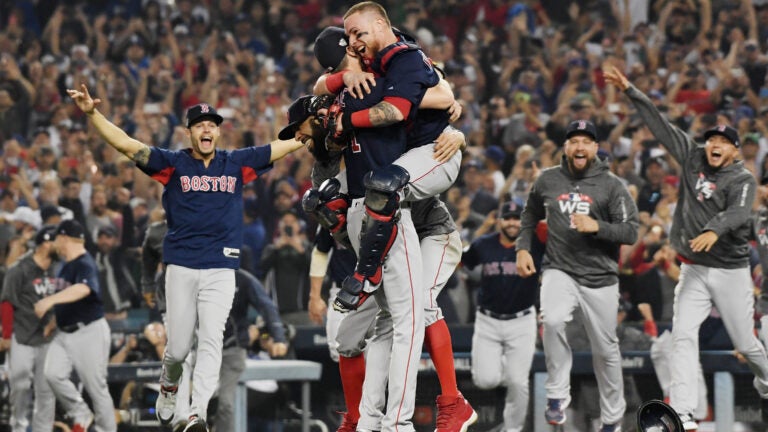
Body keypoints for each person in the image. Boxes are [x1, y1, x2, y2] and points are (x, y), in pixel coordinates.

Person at [66, 84, 304, 432]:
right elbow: (126, 144)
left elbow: (282, 147)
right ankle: (168, 384)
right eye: (200, 124)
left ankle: (196, 414)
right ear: (190, 132)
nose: (206, 129)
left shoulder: (235, 163)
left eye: (212, 124)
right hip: (181, 265)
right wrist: (92, 114)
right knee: (177, 350)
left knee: (211, 341)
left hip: (222, 267)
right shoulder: (174, 164)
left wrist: (315, 129)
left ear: (218, 131)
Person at [298, 23, 473, 432]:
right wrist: (339, 80)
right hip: (387, 224)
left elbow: (440, 94)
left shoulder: (390, 79)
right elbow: (321, 87)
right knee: (372, 329)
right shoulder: (336, 133)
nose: (360, 50)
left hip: (431, 227)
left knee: (418, 310)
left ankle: (450, 402)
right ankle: (364, 420)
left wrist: (454, 131)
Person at [605, 66, 768, 429]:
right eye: (712, 139)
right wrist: (631, 89)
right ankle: (683, 410)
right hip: (694, 266)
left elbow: (740, 213)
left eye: (723, 142)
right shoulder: (693, 156)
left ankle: (767, 382)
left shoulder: (742, 178)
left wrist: (713, 229)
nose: (715, 144)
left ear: (734, 151)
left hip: (730, 269)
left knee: (748, 343)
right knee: (682, 334)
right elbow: (660, 125)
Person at [516, 119, 639, 432]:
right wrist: (523, 249)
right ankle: (557, 395)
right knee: (553, 321)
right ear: (566, 147)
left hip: (601, 277)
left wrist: (598, 227)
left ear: (595, 148)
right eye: (574, 141)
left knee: (605, 349)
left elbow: (631, 232)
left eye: (586, 141)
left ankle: (612, 418)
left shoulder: (612, 185)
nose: (580, 146)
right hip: (560, 269)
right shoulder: (547, 180)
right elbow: (529, 215)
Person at [461, 199, 543, 432]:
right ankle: (510, 366)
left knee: (519, 383)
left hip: (522, 320)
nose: (512, 223)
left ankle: (513, 429)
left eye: (517, 219)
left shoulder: (534, 246)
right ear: (499, 221)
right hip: (488, 321)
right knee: (485, 380)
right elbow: (463, 260)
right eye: (507, 218)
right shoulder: (484, 244)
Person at [33, 219, 116, 432]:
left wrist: (49, 301)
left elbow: (84, 289)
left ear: (64, 238)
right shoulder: (66, 265)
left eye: (57, 239)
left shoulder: (84, 262)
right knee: (52, 373)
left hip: (88, 332)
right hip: (64, 332)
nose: (55, 244)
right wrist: (53, 321)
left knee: (96, 388)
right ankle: (80, 411)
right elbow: (69, 298)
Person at [0, 225, 58, 432]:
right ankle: (19, 426)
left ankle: (43, 429)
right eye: (55, 242)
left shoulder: (57, 267)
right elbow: (6, 302)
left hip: (49, 338)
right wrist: (6, 335)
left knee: (46, 388)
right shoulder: (19, 269)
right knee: (20, 384)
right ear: (44, 244)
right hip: (23, 334)